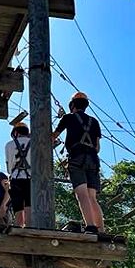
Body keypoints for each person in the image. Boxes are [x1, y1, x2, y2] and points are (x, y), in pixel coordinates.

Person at [52, 92, 104, 234]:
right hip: (93, 160)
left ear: (72, 105)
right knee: (92, 197)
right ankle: (101, 229)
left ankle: (91, 226)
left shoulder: (68, 118)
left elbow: (53, 136)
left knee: (81, 194)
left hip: (77, 158)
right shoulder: (94, 122)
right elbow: (97, 148)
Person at [5, 122, 32, 227]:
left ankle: (18, 228)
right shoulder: (34, 143)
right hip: (30, 178)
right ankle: (30, 227)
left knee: (18, 207)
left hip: (16, 178)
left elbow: (8, 167)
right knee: (29, 205)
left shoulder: (9, 145)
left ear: (15, 132)